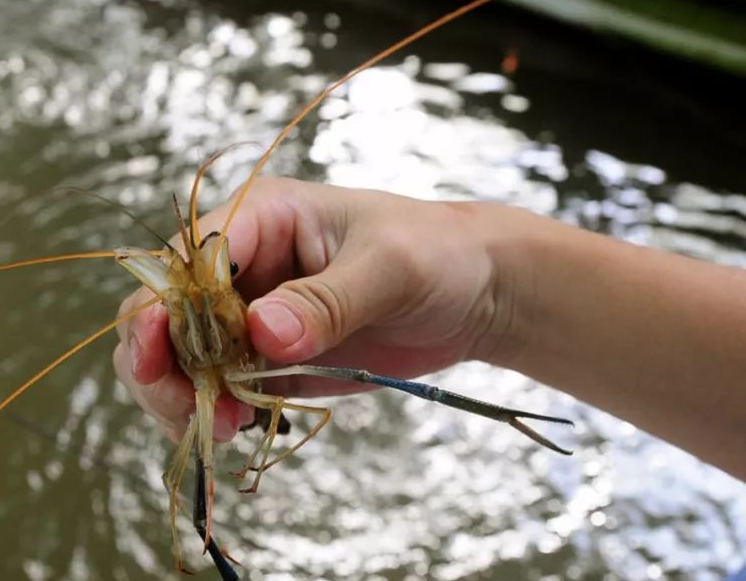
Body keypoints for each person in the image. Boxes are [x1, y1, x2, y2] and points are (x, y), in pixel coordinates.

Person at [112, 177, 746, 481]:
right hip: (244, 391)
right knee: (185, 470)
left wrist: (494, 297)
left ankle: (513, 416)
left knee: (362, 380)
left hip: (263, 387)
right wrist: (491, 295)